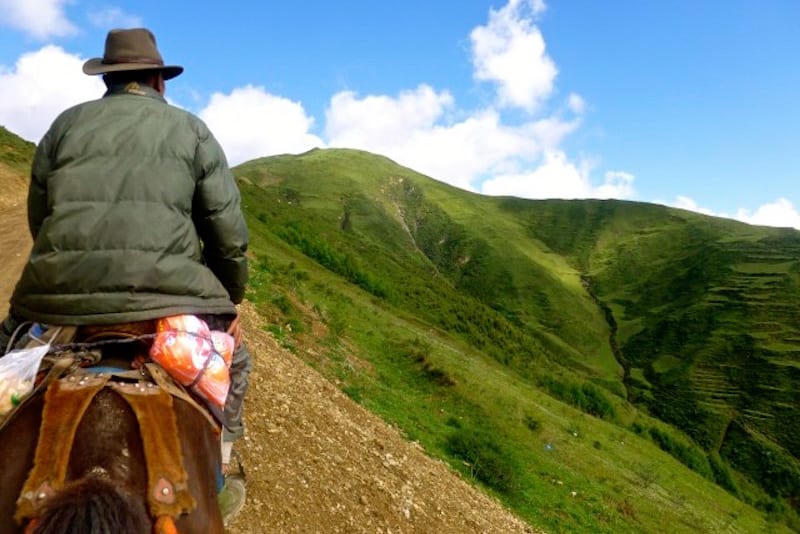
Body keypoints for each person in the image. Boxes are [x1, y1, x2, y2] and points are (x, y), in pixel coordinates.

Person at [0, 28, 249, 523]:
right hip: (169, 302)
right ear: (160, 81)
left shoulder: (64, 127)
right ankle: (220, 471)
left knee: (8, 358)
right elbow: (227, 234)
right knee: (237, 361)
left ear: (108, 79)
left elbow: (40, 218)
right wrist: (226, 305)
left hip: (57, 301)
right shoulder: (192, 131)